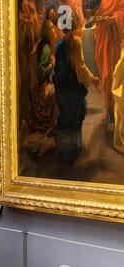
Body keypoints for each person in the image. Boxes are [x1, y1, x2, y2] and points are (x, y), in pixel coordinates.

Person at [54, 14, 101, 160]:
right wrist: (92, 78)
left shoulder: (59, 46)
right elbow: (80, 67)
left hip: (62, 89)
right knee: (76, 114)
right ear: (74, 27)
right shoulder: (77, 42)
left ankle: (63, 149)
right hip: (73, 89)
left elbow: (58, 71)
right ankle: (73, 147)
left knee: (64, 116)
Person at [93, 0, 124, 121]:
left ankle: (117, 109)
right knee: (105, 75)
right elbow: (97, 12)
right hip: (103, 38)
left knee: (114, 74)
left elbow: (122, 11)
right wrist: (98, 18)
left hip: (115, 38)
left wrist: (114, 19)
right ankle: (107, 108)